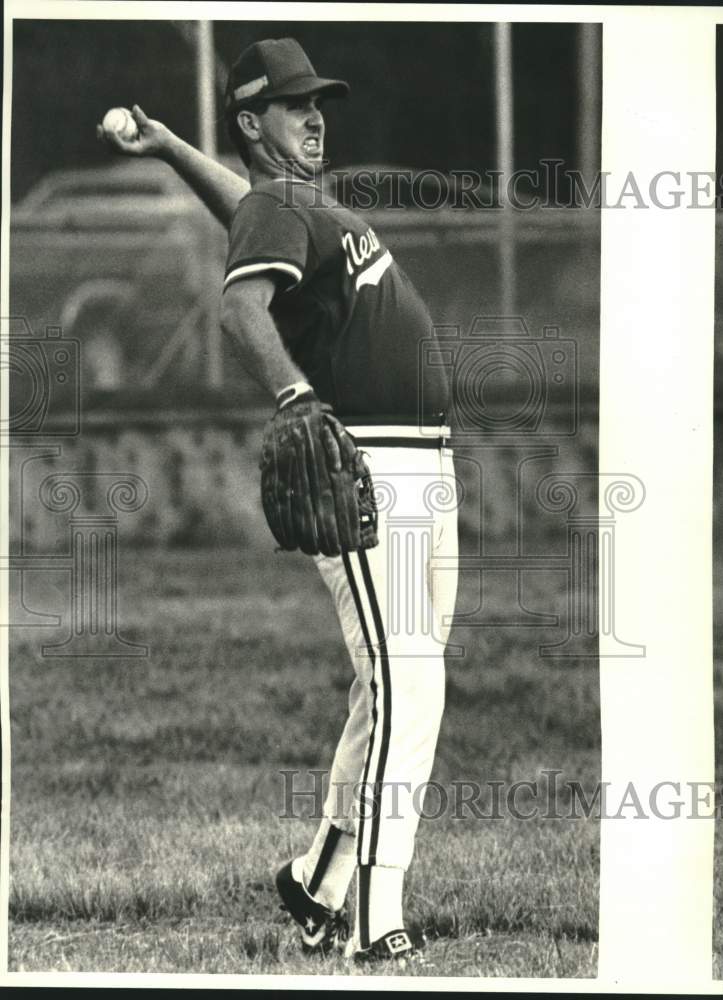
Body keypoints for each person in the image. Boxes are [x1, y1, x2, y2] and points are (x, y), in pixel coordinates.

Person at [98, 36, 459, 966]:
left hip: (415, 459)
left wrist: (175, 149)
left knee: (387, 692)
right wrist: (297, 394)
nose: (316, 117)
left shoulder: (290, 201)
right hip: (373, 463)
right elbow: (240, 308)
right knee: (407, 686)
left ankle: (317, 882)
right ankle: (376, 920)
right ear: (255, 121)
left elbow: (247, 205)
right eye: (295, 105)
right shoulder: (276, 200)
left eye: (319, 102)